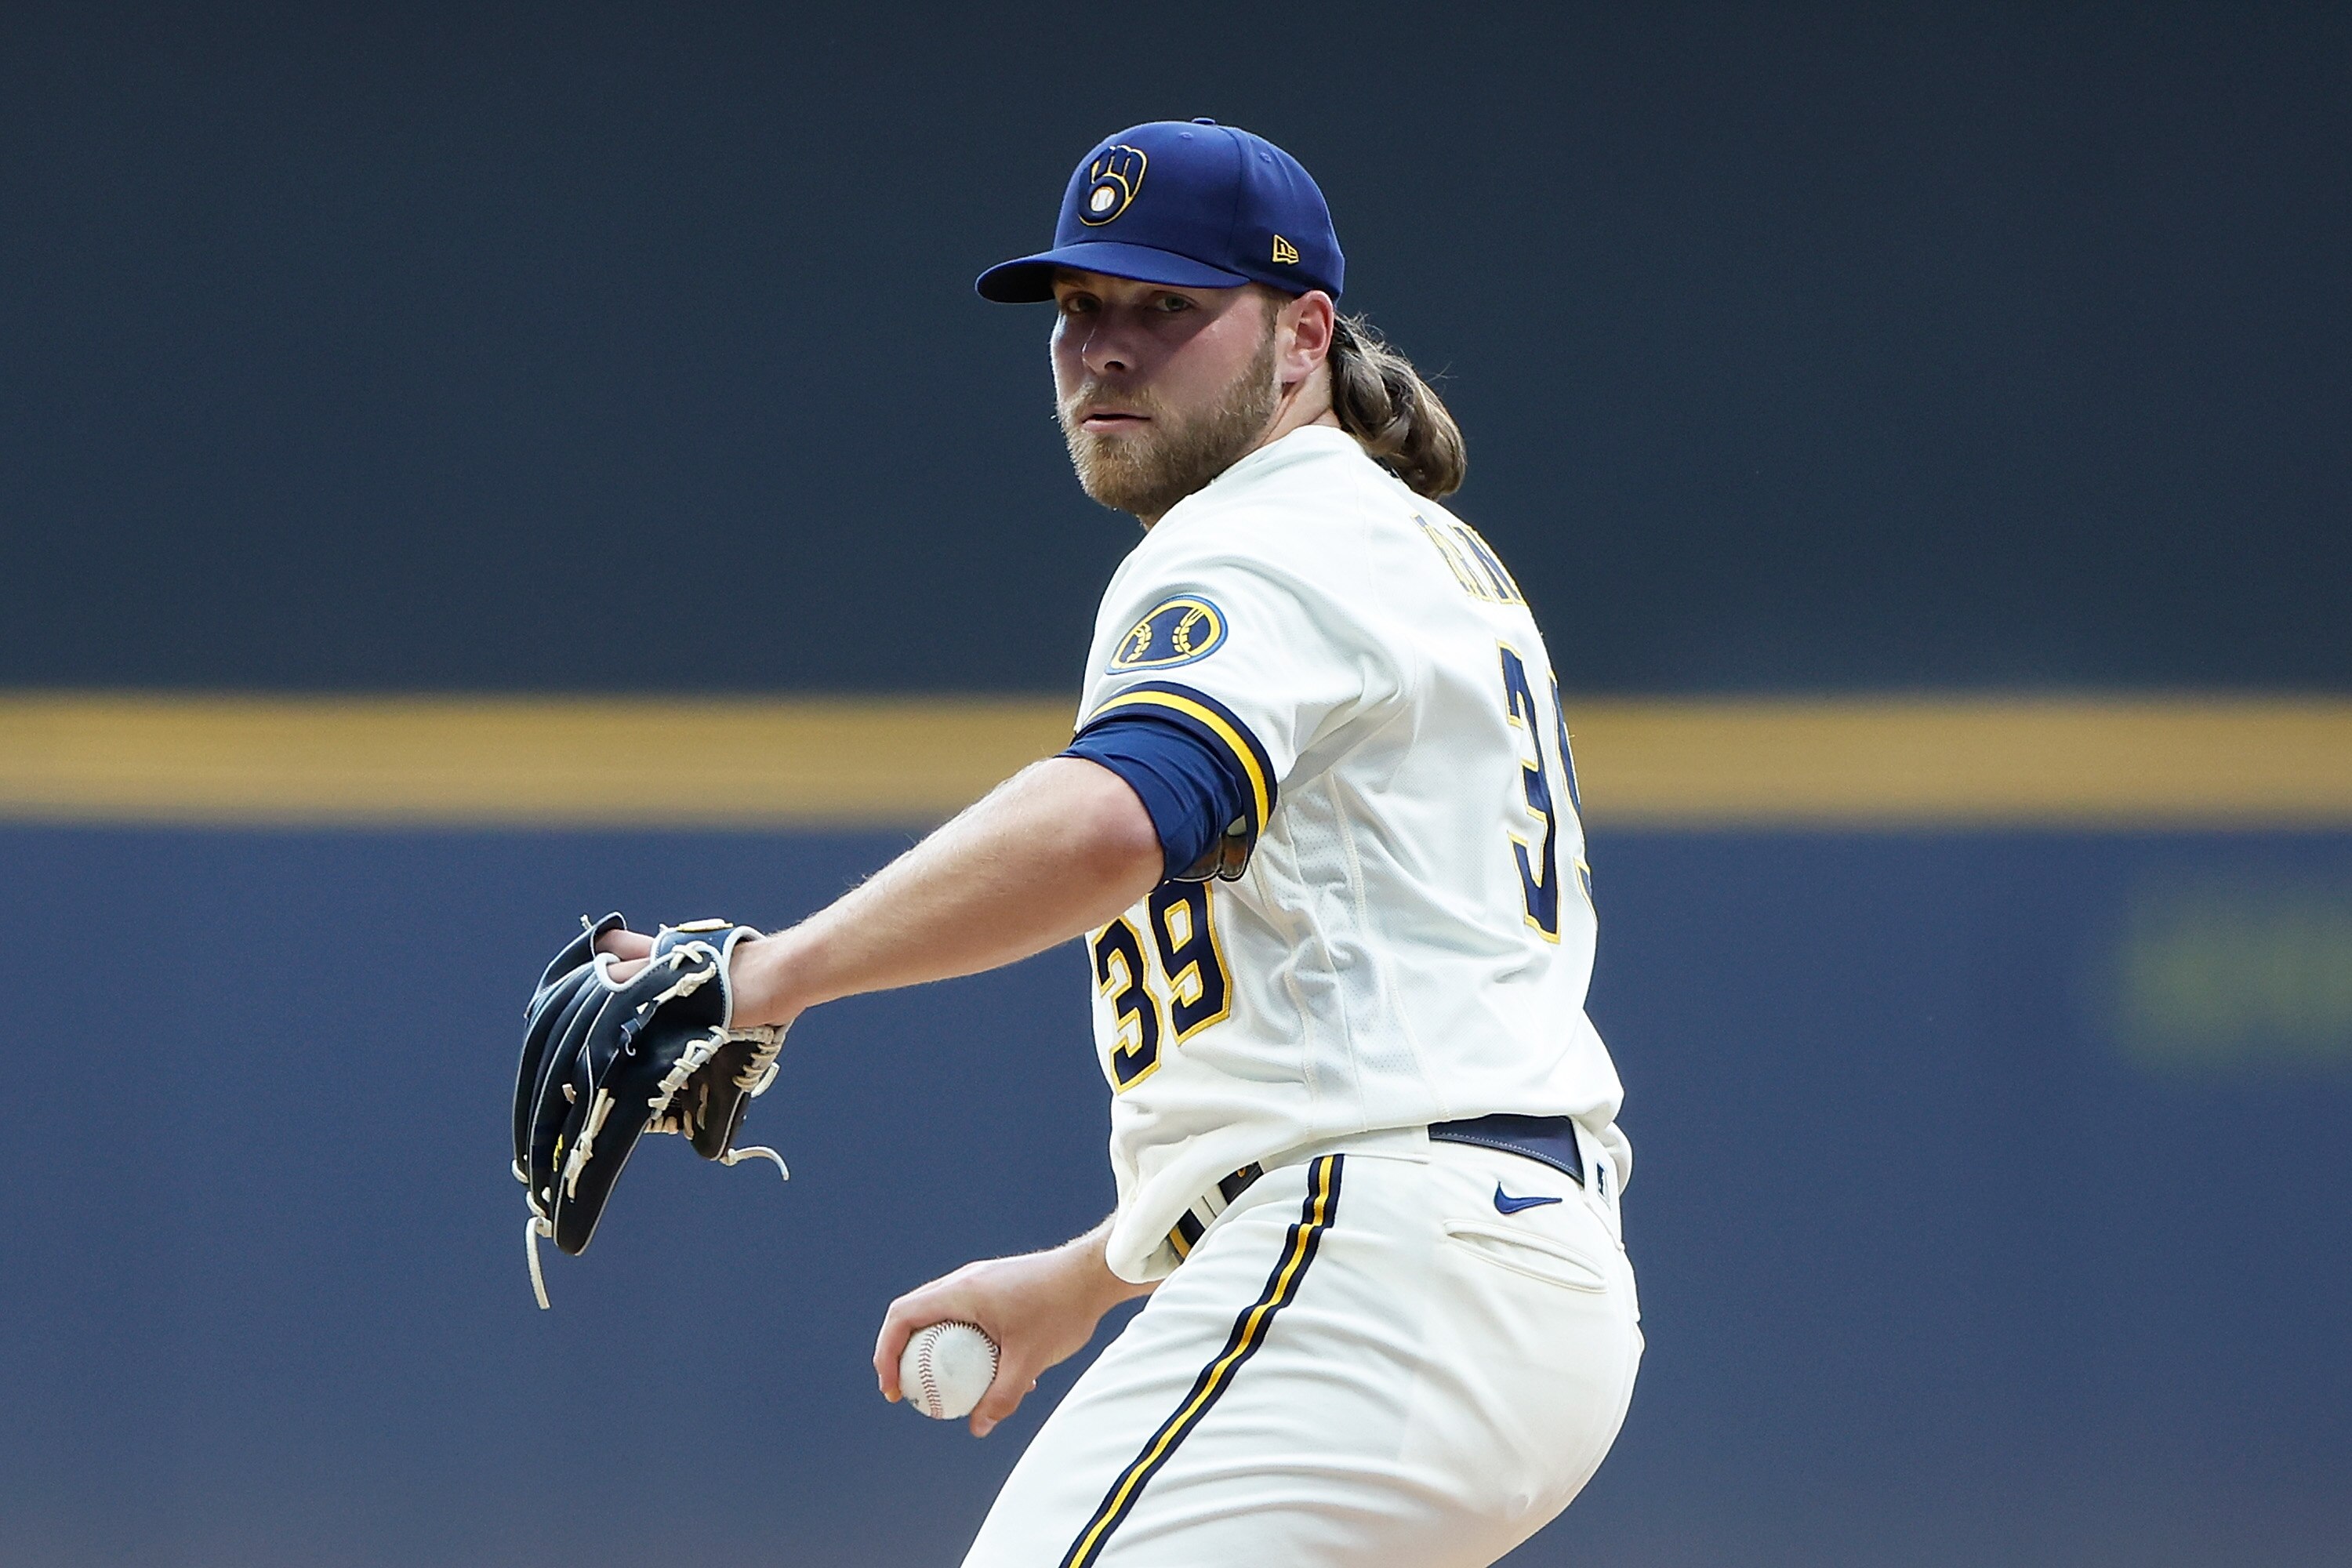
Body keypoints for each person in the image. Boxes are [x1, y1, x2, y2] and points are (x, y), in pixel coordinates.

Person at [601, 118, 1640, 1566]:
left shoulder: (1259, 533)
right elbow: (1369, 1018)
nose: (1105, 347)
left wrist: (764, 976)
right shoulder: (1395, 543)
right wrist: (1100, 1273)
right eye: (1081, 308)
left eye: (1170, 308)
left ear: (1302, 337)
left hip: (1387, 1265)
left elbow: (1114, 819)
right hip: (1503, 1273)